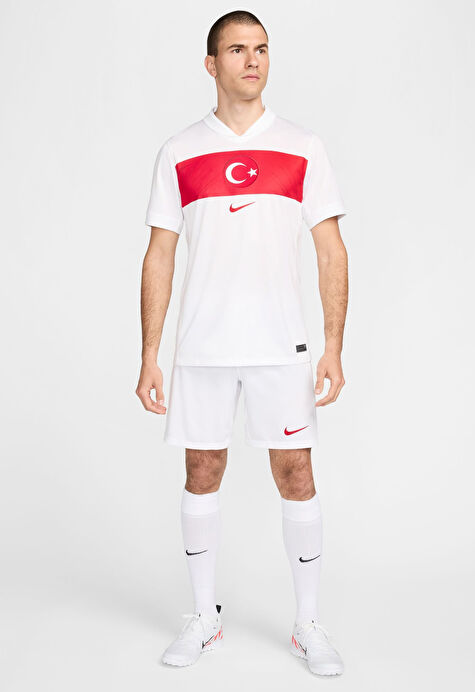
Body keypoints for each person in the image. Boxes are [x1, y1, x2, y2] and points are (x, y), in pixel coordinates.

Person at [136, 9, 349, 677]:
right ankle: (204, 618)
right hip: (202, 346)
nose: (252, 60)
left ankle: (307, 624)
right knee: (201, 471)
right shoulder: (179, 151)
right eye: (236, 49)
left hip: (280, 346)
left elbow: (330, 250)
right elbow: (159, 255)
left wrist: (334, 345)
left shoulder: (302, 145)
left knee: (297, 474)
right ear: (211, 63)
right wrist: (148, 354)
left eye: (260, 48)